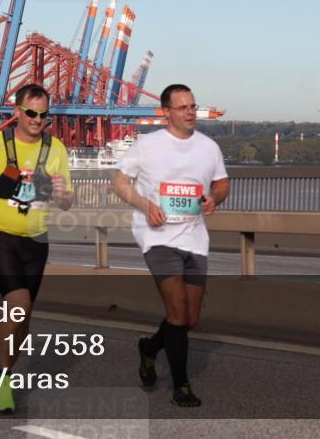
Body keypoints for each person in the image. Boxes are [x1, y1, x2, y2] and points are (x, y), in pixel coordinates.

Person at [110, 84, 229, 408]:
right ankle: (182, 385)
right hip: (157, 237)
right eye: (182, 107)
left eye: (193, 106)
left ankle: (149, 350)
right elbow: (118, 180)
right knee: (177, 312)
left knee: (189, 319)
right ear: (166, 112)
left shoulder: (208, 147)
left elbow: (221, 182)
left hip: (195, 238)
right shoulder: (148, 146)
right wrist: (143, 203)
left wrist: (213, 198)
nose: (190, 112)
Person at [0, 83, 74, 413]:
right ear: (17, 112)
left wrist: (63, 193)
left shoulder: (56, 149)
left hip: (36, 241)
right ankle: (2, 382)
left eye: (44, 114)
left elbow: (66, 201)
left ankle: (0, 377)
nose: (38, 119)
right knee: (18, 304)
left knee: (23, 320)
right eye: (32, 113)